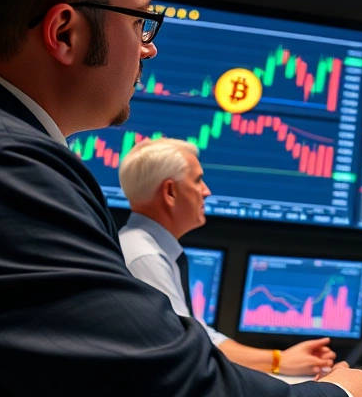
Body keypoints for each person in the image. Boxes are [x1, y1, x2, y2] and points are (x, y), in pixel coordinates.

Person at [0, 0, 362, 397]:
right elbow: (164, 383)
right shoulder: (4, 163)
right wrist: (345, 395)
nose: (148, 51)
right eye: (142, 22)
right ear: (65, 32)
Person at [118, 138, 338, 377]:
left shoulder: (148, 247)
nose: (207, 191)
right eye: (198, 180)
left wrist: (280, 359)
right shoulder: (144, 256)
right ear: (170, 191)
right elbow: (189, 350)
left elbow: (202, 336)